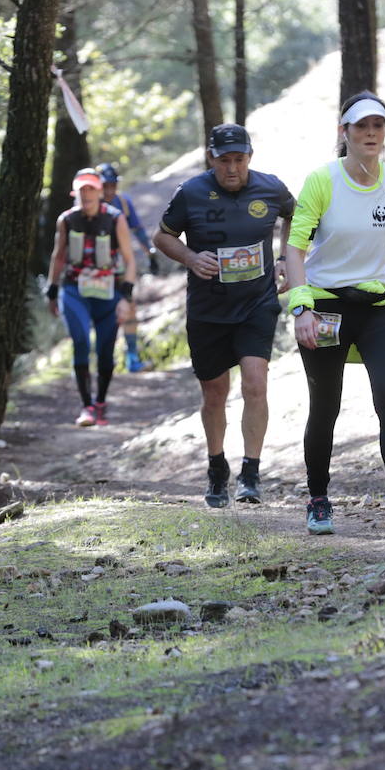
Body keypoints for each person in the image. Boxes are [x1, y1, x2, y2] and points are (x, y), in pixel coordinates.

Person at [285, 91, 385, 537]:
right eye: (361, 126)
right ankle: (318, 499)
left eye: (378, 126)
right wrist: (301, 307)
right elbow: (295, 249)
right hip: (326, 307)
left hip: (380, 306)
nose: (371, 134)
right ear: (343, 132)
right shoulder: (321, 181)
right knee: (325, 404)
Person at [153, 124, 294, 508]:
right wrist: (190, 257)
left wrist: (284, 259)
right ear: (211, 159)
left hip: (257, 303)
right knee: (214, 394)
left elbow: (296, 217)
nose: (232, 168)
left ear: (249, 157)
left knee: (255, 382)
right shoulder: (191, 192)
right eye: (224, 160)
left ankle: (251, 471)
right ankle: (217, 467)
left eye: (239, 159)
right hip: (209, 309)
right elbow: (162, 237)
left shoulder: (271, 188)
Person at [46, 168, 139, 426]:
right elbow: (59, 256)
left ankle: (101, 402)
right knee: (80, 341)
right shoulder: (66, 219)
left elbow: (130, 261)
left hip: (108, 291)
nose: (86, 195)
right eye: (82, 191)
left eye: (91, 190)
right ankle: (86, 405)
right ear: (75, 193)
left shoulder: (114, 219)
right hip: (74, 289)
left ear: (100, 192)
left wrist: (125, 297)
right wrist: (52, 291)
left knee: (105, 349)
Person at [97, 162, 159, 373]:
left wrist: (150, 252)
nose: (109, 190)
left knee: (129, 308)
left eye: (112, 185)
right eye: (105, 185)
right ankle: (99, 361)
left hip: (122, 266)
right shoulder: (89, 204)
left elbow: (138, 229)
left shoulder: (123, 203)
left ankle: (132, 358)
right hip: (95, 269)